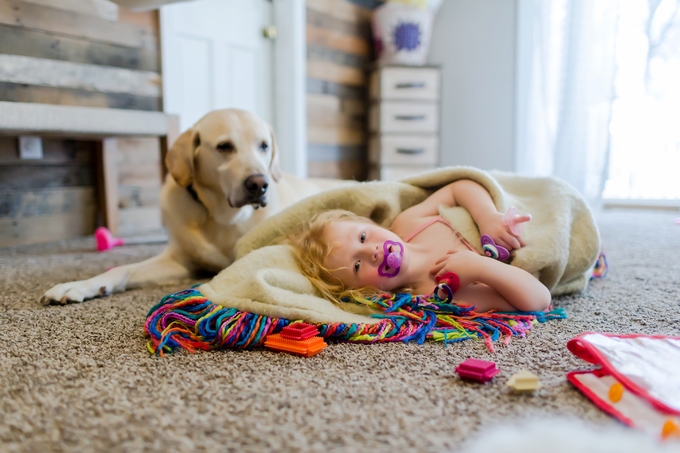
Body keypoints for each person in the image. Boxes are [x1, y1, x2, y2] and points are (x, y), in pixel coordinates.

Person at [288, 179, 552, 313]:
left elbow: (459, 188)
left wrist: (486, 217)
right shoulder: (439, 292)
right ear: (366, 292)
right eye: (357, 265)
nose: (372, 252)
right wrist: (481, 267)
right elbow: (538, 299)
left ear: (372, 223)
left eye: (362, 237)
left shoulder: (408, 222)